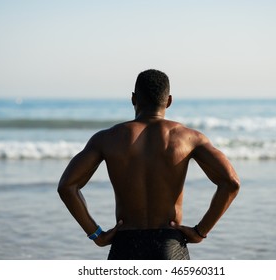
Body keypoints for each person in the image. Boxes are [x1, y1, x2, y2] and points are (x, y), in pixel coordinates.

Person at [58, 69, 240, 260]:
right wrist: (200, 231)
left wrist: (97, 234)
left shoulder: (107, 138)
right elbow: (231, 182)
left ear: (133, 99)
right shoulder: (189, 138)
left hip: (125, 244)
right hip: (170, 244)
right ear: (169, 101)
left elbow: (67, 186)